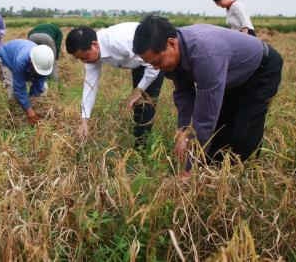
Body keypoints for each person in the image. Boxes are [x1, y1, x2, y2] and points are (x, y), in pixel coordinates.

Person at [133, 15, 283, 174]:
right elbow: (184, 96)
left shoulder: (205, 54)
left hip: (261, 69)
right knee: (221, 128)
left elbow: (205, 117)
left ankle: (244, 174)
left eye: (158, 62)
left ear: (171, 43)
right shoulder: (172, 56)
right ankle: (210, 173)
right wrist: (183, 132)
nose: (156, 68)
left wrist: (188, 168)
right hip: (230, 73)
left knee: (243, 129)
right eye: (151, 64)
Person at [65, 23, 163, 148]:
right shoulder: (90, 53)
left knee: (145, 107)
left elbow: (152, 65)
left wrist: (139, 89)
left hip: (154, 57)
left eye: (85, 57)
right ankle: (139, 142)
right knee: (138, 107)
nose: (84, 62)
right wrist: (84, 121)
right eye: (80, 59)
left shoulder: (118, 43)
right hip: (139, 62)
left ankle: (141, 150)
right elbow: (90, 86)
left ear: (94, 45)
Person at [0, 39, 54, 125]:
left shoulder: (44, 63)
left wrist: (33, 101)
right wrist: (29, 110)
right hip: (7, 59)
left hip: (23, 58)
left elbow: (39, 83)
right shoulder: (21, 60)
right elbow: (19, 87)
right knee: (12, 92)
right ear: (31, 62)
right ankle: (15, 120)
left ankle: (30, 115)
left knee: (43, 88)